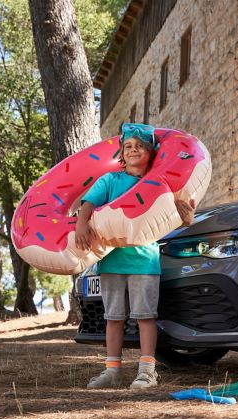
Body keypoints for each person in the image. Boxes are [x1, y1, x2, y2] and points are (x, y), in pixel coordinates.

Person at [75, 123, 195, 390]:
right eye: (128, 146)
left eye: (139, 146)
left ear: (150, 152)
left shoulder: (160, 185)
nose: (133, 150)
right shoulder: (110, 181)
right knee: (113, 318)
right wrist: (81, 224)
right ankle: (112, 370)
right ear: (121, 151)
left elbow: (180, 219)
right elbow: (88, 203)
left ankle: (147, 371)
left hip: (144, 260)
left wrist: (186, 214)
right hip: (112, 261)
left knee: (145, 316)